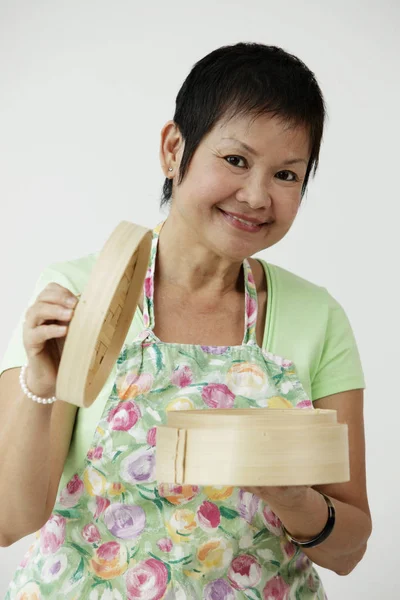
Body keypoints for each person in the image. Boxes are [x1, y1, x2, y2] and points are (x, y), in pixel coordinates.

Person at [0, 42, 372, 599]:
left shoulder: (317, 317)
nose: (255, 196)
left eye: (287, 175)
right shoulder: (79, 294)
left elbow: (351, 550)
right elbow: (10, 520)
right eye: (236, 160)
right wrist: (43, 384)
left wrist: (291, 496)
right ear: (175, 149)